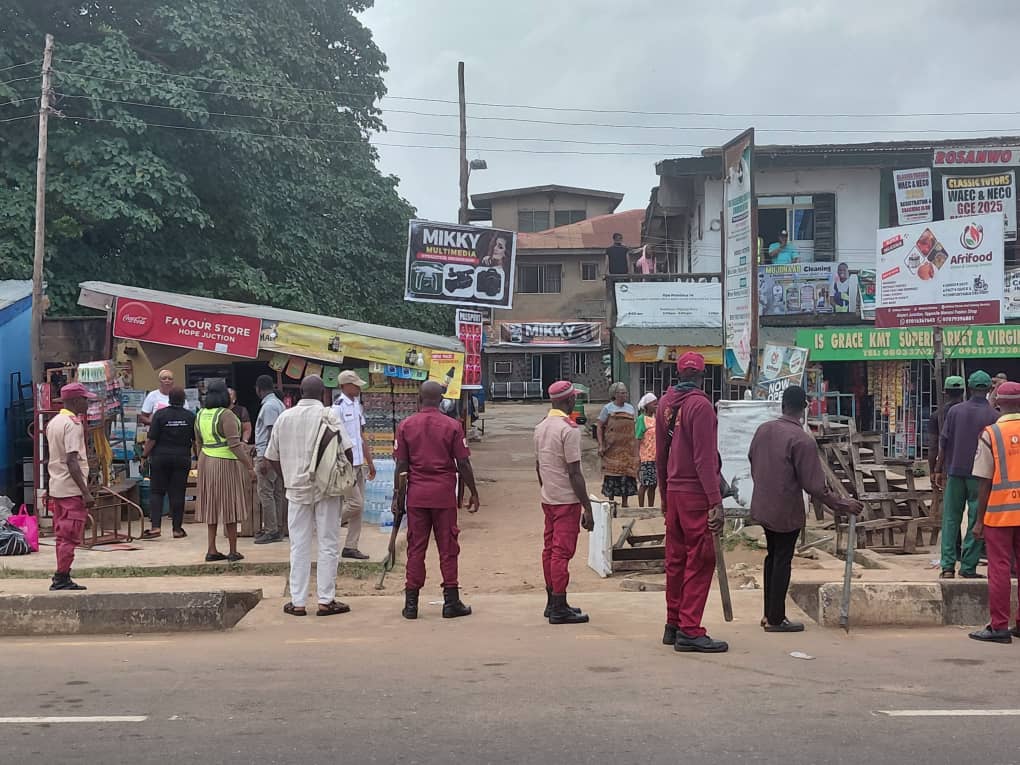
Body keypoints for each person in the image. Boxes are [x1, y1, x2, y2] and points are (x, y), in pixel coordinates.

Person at [748, 386, 864, 632]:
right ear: (804, 408)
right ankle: (776, 618)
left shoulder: (763, 430)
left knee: (773, 556)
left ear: (783, 405)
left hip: (763, 503)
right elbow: (815, 487)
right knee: (782, 559)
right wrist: (844, 504)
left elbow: (752, 459)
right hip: (786, 508)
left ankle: (769, 614)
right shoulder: (801, 439)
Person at [655, 352, 727, 653]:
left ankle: (673, 624)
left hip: (673, 493)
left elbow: (660, 455)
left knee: (676, 560)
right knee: (700, 560)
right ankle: (690, 629)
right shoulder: (701, 406)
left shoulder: (663, 405)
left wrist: (663, 496)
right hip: (696, 494)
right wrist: (715, 502)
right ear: (702, 375)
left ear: (678, 373)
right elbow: (704, 459)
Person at [266, 375, 355, 617]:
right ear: (323, 393)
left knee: (299, 545)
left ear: (300, 393)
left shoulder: (284, 417)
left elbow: (270, 457)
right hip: (326, 488)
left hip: (295, 490)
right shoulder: (329, 415)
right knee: (328, 543)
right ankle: (326, 600)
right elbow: (348, 450)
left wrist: (287, 477)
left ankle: (298, 602)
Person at [394, 380, 480, 620]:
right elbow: (462, 463)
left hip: (416, 496)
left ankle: (411, 604)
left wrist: (397, 497)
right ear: (441, 400)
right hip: (443, 495)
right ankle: (450, 602)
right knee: (448, 547)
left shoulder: (405, 426)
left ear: (419, 399)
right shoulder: (453, 426)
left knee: (415, 548)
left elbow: (401, 465)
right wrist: (473, 491)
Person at [534, 381, 595, 625]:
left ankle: (553, 601)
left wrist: (547, 488)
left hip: (548, 498)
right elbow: (574, 473)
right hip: (566, 501)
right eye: (574, 399)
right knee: (561, 553)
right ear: (568, 401)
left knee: (549, 550)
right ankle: (559, 605)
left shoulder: (541, 427)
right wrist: (587, 507)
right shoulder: (569, 430)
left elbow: (539, 467)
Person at [934, 371, 1000, 579]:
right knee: (976, 520)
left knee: (951, 519)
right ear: (990, 389)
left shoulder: (955, 412)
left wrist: (937, 469)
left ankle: (947, 566)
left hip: (955, 471)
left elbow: (943, 442)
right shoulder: (994, 416)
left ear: (970, 389)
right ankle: (968, 567)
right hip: (981, 476)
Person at [969, 381, 1020, 643]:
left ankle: (999, 626)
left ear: (998, 403)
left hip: (1000, 513)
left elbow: (984, 480)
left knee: (999, 568)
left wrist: (979, 521)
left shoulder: (991, 434)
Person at [194, 380, 255, 563]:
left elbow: (198, 442)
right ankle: (233, 551)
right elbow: (234, 445)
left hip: (206, 460)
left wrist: (199, 462)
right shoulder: (226, 415)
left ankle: (211, 549)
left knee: (211, 506)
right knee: (230, 506)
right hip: (225, 462)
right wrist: (249, 466)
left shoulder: (200, 414)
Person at [46, 383, 97, 591]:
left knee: (62, 535)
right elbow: (72, 460)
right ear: (75, 401)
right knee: (70, 535)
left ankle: (62, 574)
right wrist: (86, 493)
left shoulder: (54, 422)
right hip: (71, 489)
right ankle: (62, 577)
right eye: (84, 399)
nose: (87, 403)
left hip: (57, 486)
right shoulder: (73, 424)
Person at [330, 370, 377, 560]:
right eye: (355, 384)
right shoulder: (337, 408)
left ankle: (351, 545)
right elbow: (336, 437)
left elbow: (360, 435)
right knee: (355, 503)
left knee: (360, 506)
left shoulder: (357, 405)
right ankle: (328, 524)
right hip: (346, 464)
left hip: (359, 463)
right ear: (344, 386)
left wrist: (370, 461)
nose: (359, 387)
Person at [141, 387, 196, 540]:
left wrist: (144, 455)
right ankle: (177, 529)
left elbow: (152, 439)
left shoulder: (160, 415)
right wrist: (197, 457)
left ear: (169, 399)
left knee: (157, 492)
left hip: (160, 458)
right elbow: (195, 440)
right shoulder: (190, 416)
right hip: (182, 458)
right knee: (178, 493)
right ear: (184, 400)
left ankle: (155, 527)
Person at [253, 375, 287, 545]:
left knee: (266, 493)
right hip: (277, 455)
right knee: (277, 492)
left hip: (268, 455)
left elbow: (271, 432)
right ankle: (278, 528)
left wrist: (266, 458)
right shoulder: (278, 404)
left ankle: (271, 530)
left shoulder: (269, 406)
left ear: (258, 389)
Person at [597, 382, 638, 507]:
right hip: (612, 448)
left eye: (626, 392)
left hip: (627, 449)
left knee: (626, 473)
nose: (625, 395)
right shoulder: (608, 408)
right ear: (615, 394)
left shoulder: (630, 408)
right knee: (612, 475)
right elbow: (599, 426)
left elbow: (634, 427)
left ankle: (625, 502)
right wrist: (601, 444)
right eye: (622, 392)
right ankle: (611, 501)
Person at [927, 376, 966, 477]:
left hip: (946, 466)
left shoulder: (937, 415)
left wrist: (933, 471)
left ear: (946, 393)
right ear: (963, 392)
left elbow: (933, 446)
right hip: (970, 465)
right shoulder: (972, 413)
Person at [635, 392, 659, 509]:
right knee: (644, 484)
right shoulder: (641, 419)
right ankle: (641, 509)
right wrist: (637, 457)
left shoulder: (656, 419)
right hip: (646, 457)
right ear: (647, 405)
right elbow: (638, 438)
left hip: (656, 457)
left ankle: (650, 508)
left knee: (653, 485)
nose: (656, 405)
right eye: (654, 404)